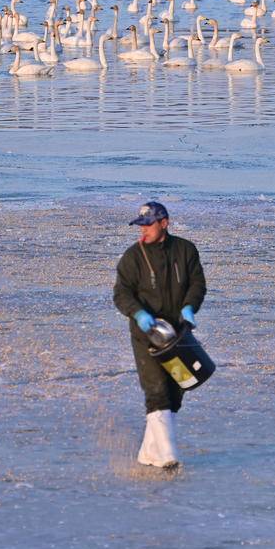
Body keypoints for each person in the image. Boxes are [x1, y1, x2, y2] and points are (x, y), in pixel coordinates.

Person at [112, 201, 207, 469]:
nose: (143, 230)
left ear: (164, 223)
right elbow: (121, 294)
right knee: (156, 391)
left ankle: (147, 452)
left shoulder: (186, 250)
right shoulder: (132, 257)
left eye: (148, 224)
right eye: (139, 225)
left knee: (176, 392)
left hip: (178, 334)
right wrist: (139, 315)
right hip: (148, 336)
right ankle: (168, 455)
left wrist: (189, 307)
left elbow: (198, 283)